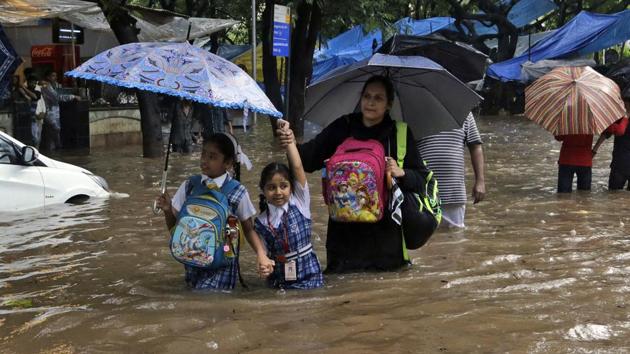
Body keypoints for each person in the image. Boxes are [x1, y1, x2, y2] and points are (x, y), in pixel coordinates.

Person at [282, 75, 430, 273]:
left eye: (378, 98)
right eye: (367, 96)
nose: (370, 102)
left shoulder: (400, 134)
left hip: (385, 245)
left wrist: (401, 172)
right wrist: (289, 141)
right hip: (343, 243)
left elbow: (423, 181)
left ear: (389, 104)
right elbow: (307, 160)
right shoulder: (342, 127)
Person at [155, 133, 274, 289]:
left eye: (212, 157)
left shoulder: (237, 191)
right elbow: (176, 230)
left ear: (228, 163)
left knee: (207, 300)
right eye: (203, 154)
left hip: (223, 261)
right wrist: (167, 210)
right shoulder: (190, 185)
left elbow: (248, 229)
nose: (204, 160)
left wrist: (261, 254)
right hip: (192, 259)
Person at [254, 120, 324, 289]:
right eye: (271, 188)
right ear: (263, 190)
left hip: (311, 277)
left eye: (283, 186)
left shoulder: (300, 201)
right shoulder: (261, 222)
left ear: (292, 187)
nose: (278, 192)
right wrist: (264, 267)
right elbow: (263, 255)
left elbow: (298, 166)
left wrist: (289, 141)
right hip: (280, 281)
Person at [416, 113, 486, 228]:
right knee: (426, 239)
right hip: (423, 191)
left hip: (454, 192)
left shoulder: (463, 112)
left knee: (455, 240)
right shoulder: (415, 113)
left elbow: (475, 146)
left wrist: (480, 181)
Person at [592, 95, 630, 190]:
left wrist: (594, 150)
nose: (623, 104)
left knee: (614, 192)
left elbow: (607, 133)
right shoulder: (620, 117)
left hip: (620, 163)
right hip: (620, 162)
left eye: (625, 102)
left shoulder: (620, 117)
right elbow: (607, 133)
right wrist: (594, 149)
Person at [40, 70, 79, 151]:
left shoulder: (53, 85)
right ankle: (57, 147)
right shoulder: (46, 86)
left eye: (55, 76)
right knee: (55, 129)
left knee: (50, 135)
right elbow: (56, 97)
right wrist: (72, 97)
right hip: (49, 112)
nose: (55, 78)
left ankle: (52, 153)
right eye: (53, 76)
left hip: (54, 112)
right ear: (48, 77)